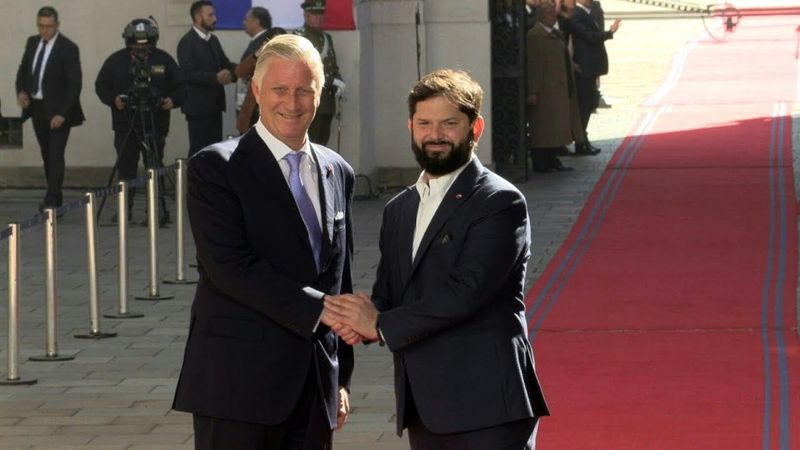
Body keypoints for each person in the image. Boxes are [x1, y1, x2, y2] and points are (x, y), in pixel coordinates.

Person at [324, 69, 549, 449]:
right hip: (424, 406)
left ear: (475, 128)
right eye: (425, 123)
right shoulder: (399, 209)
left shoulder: (499, 201)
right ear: (411, 126)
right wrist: (353, 318)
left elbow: (465, 293)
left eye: (449, 124)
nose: (435, 135)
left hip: (488, 406)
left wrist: (378, 324)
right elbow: (389, 291)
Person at [172, 34, 356, 450]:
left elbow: (338, 279)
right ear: (256, 90)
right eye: (279, 90)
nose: (292, 103)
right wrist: (321, 309)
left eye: (304, 90)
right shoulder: (216, 168)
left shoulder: (337, 170)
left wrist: (340, 378)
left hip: (314, 389)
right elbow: (230, 268)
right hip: (238, 388)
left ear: (319, 94)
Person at [95, 18, 185, 222]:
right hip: (125, 124)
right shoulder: (115, 61)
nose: (141, 47)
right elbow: (101, 85)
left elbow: (181, 86)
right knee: (126, 167)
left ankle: (157, 211)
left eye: (145, 43)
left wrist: (173, 100)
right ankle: (124, 210)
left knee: (154, 165)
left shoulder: (164, 60)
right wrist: (113, 99)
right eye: (136, 43)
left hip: (155, 123)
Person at [15, 6, 85, 211]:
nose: (44, 30)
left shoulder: (68, 48)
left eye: (49, 26)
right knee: (46, 153)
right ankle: (55, 193)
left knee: (55, 154)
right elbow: (23, 70)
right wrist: (22, 91)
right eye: (41, 26)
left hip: (59, 111)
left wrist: (62, 113)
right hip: (37, 108)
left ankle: (52, 200)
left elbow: (74, 84)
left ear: (57, 25)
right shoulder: (32, 42)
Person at [527, 1, 583, 172]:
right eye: (549, 13)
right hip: (545, 90)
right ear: (540, 16)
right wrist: (533, 91)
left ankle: (552, 160)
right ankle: (542, 163)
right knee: (543, 128)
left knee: (555, 129)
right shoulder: (535, 36)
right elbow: (534, 65)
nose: (553, 16)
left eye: (553, 13)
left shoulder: (556, 33)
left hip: (558, 88)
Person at [177, 0, 237, 157]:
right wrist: (215, 78)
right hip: (198, 108)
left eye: (214, 14)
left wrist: (239, 71)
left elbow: (225, 63)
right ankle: (194, 182)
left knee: (214, 150)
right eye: (210, 15)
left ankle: (210, 182)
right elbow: (187, 74)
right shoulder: (187, 42)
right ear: (198, 17)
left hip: (215, 106)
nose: (215, 18)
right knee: (199, 150)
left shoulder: (213, 40)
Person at [570, 0, 620, 154]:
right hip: (584, 66)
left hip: (591, 67)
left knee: (590, 104)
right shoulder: (576, 14)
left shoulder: (592, 11)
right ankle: (580, 142)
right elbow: (590, 36)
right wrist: (610, 32)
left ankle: (583, 140)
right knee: (584, 106)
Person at [293, 0, 345, 146]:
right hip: (307, 99)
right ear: (306, 15)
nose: (319, 18)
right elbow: (302, 68)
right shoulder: (299, 36)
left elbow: (333, 66)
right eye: (315, 14)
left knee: (322, 142)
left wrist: (339, 82)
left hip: (326, 100)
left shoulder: (327, 38)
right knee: (308, 144)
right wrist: (330, 81)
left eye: (321, 14)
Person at [235, 7, 285, 134]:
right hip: (254, 106)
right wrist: (257, 54)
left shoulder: (289, 62)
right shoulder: (259, 49)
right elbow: (240, 71)